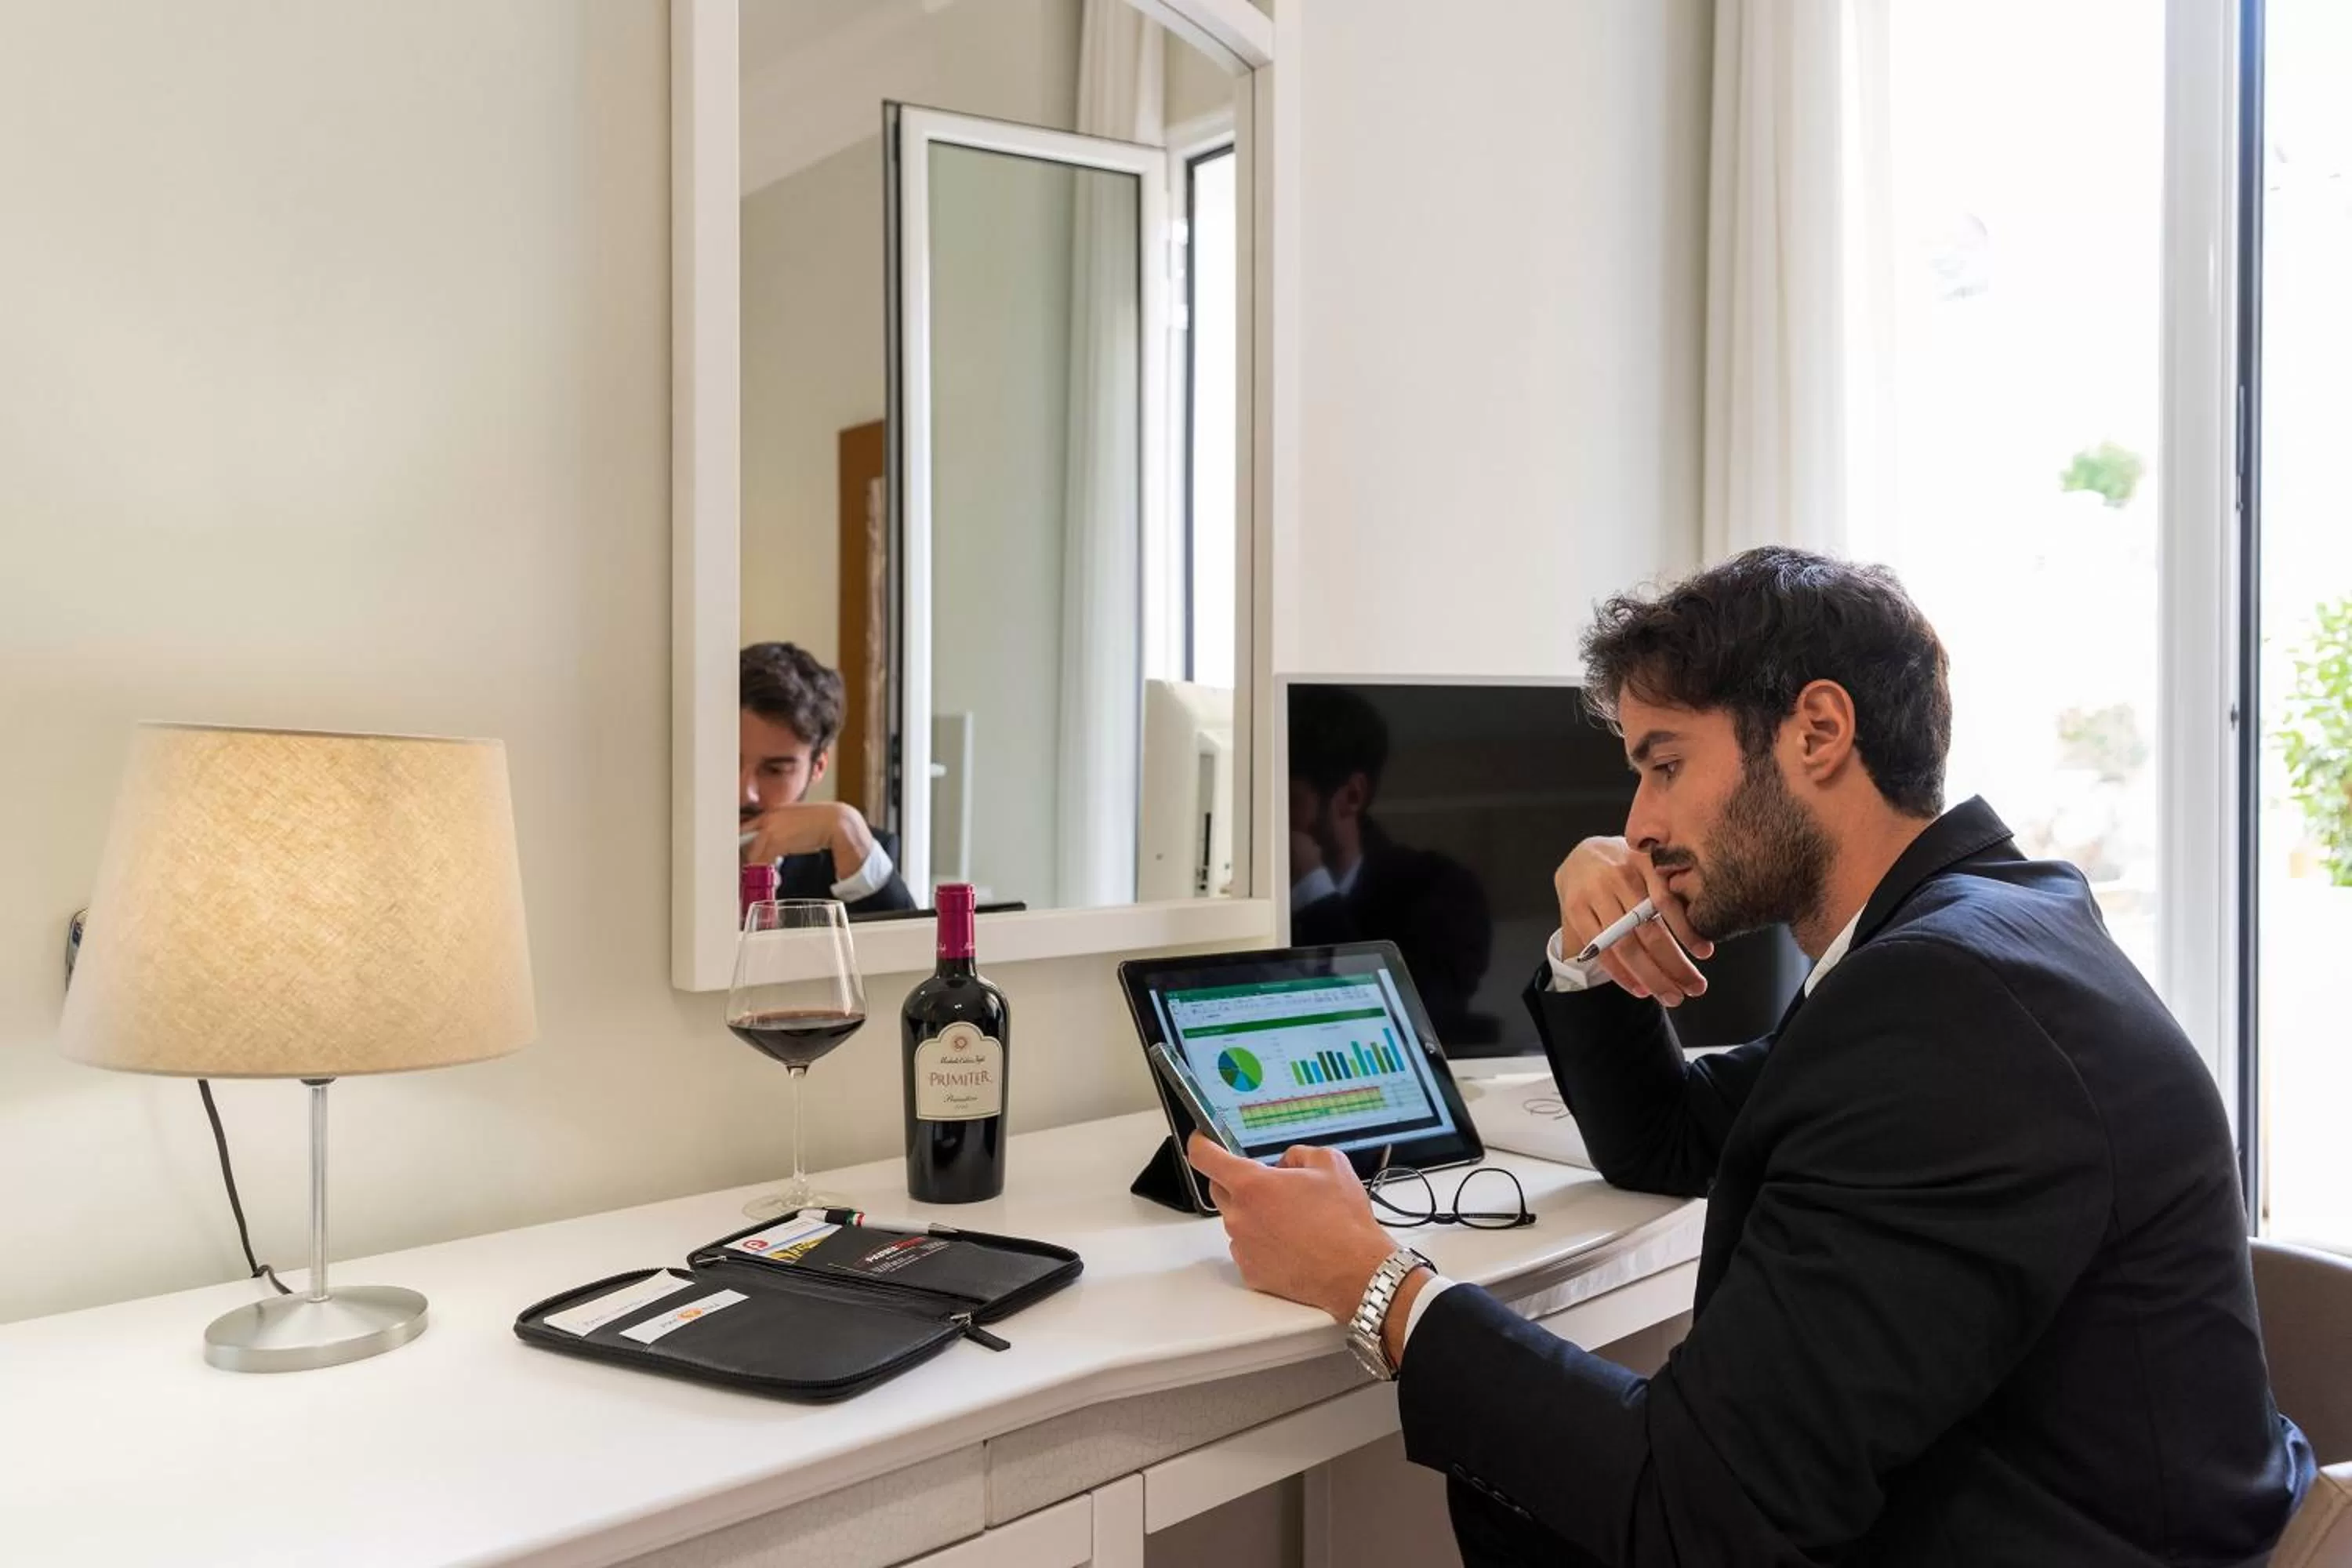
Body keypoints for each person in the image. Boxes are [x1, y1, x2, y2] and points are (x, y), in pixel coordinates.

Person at [1190, 548, 2313, 1566]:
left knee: (1533, 1487)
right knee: (1524, 1484)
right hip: (2059, 1494)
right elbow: (1669, 1138)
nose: (1634, 824)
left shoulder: (1944, 1000)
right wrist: (1590, 958)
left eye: (1664, 765)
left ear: (1818, 733)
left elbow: (1701, 1514)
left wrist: (1371, 1282)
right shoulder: (1973, 933)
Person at [1288, 685, 1497, 1045]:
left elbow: (1411, 1021)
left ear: (1351, 796)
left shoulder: (1444, 890)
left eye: (1290, 800)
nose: (1276, 820)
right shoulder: (1268, 898)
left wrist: (1313, 891)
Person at [739, 642, 913, 915]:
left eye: (774, 770)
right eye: (729, 762)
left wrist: (848, 827)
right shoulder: (657, 845)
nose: (745, 792)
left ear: (818, 766)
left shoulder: (847, 855)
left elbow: (914, 954)